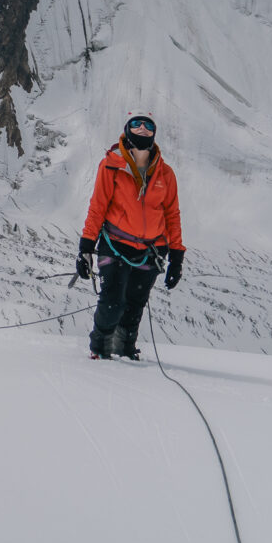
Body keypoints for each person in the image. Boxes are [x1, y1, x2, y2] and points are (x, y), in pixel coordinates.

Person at [76, 113, 184, 359]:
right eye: (136, 124)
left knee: (135, 304)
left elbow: (172, 215)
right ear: (127, 130)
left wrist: (177, 257)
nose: (143, 128)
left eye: (149, 125)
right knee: (112, 302)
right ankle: (100, 348)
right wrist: (86, 247)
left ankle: (125, 350)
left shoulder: (165, 174)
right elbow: (98, 207)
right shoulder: (111, 165)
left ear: (154, 134)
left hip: (151, 249)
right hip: (115, 245)